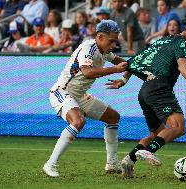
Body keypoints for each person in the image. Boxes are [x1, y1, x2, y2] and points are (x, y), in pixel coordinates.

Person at [106, 16, 186, 178]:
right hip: (159, 89)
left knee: (156, 134)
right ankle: (148, 151)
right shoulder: (185, 43)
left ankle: (129, 161)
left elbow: (135, 61)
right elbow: (183, 67)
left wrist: (124, 80)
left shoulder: (164, 40)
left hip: (145, 92)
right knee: (178, 127)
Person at [42, 20, 128, 177]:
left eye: (115, 41)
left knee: (113, 117)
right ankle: (50, 164)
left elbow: (125, 63)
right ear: (100, 36)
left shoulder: (105, 51)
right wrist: (115, 70)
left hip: (79, 96)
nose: (113, 45)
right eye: (111, 41)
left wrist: (133, 71)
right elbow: (88, 72)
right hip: (61, 91)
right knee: (78, 121)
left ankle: (112, 163)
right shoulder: (88, 48)